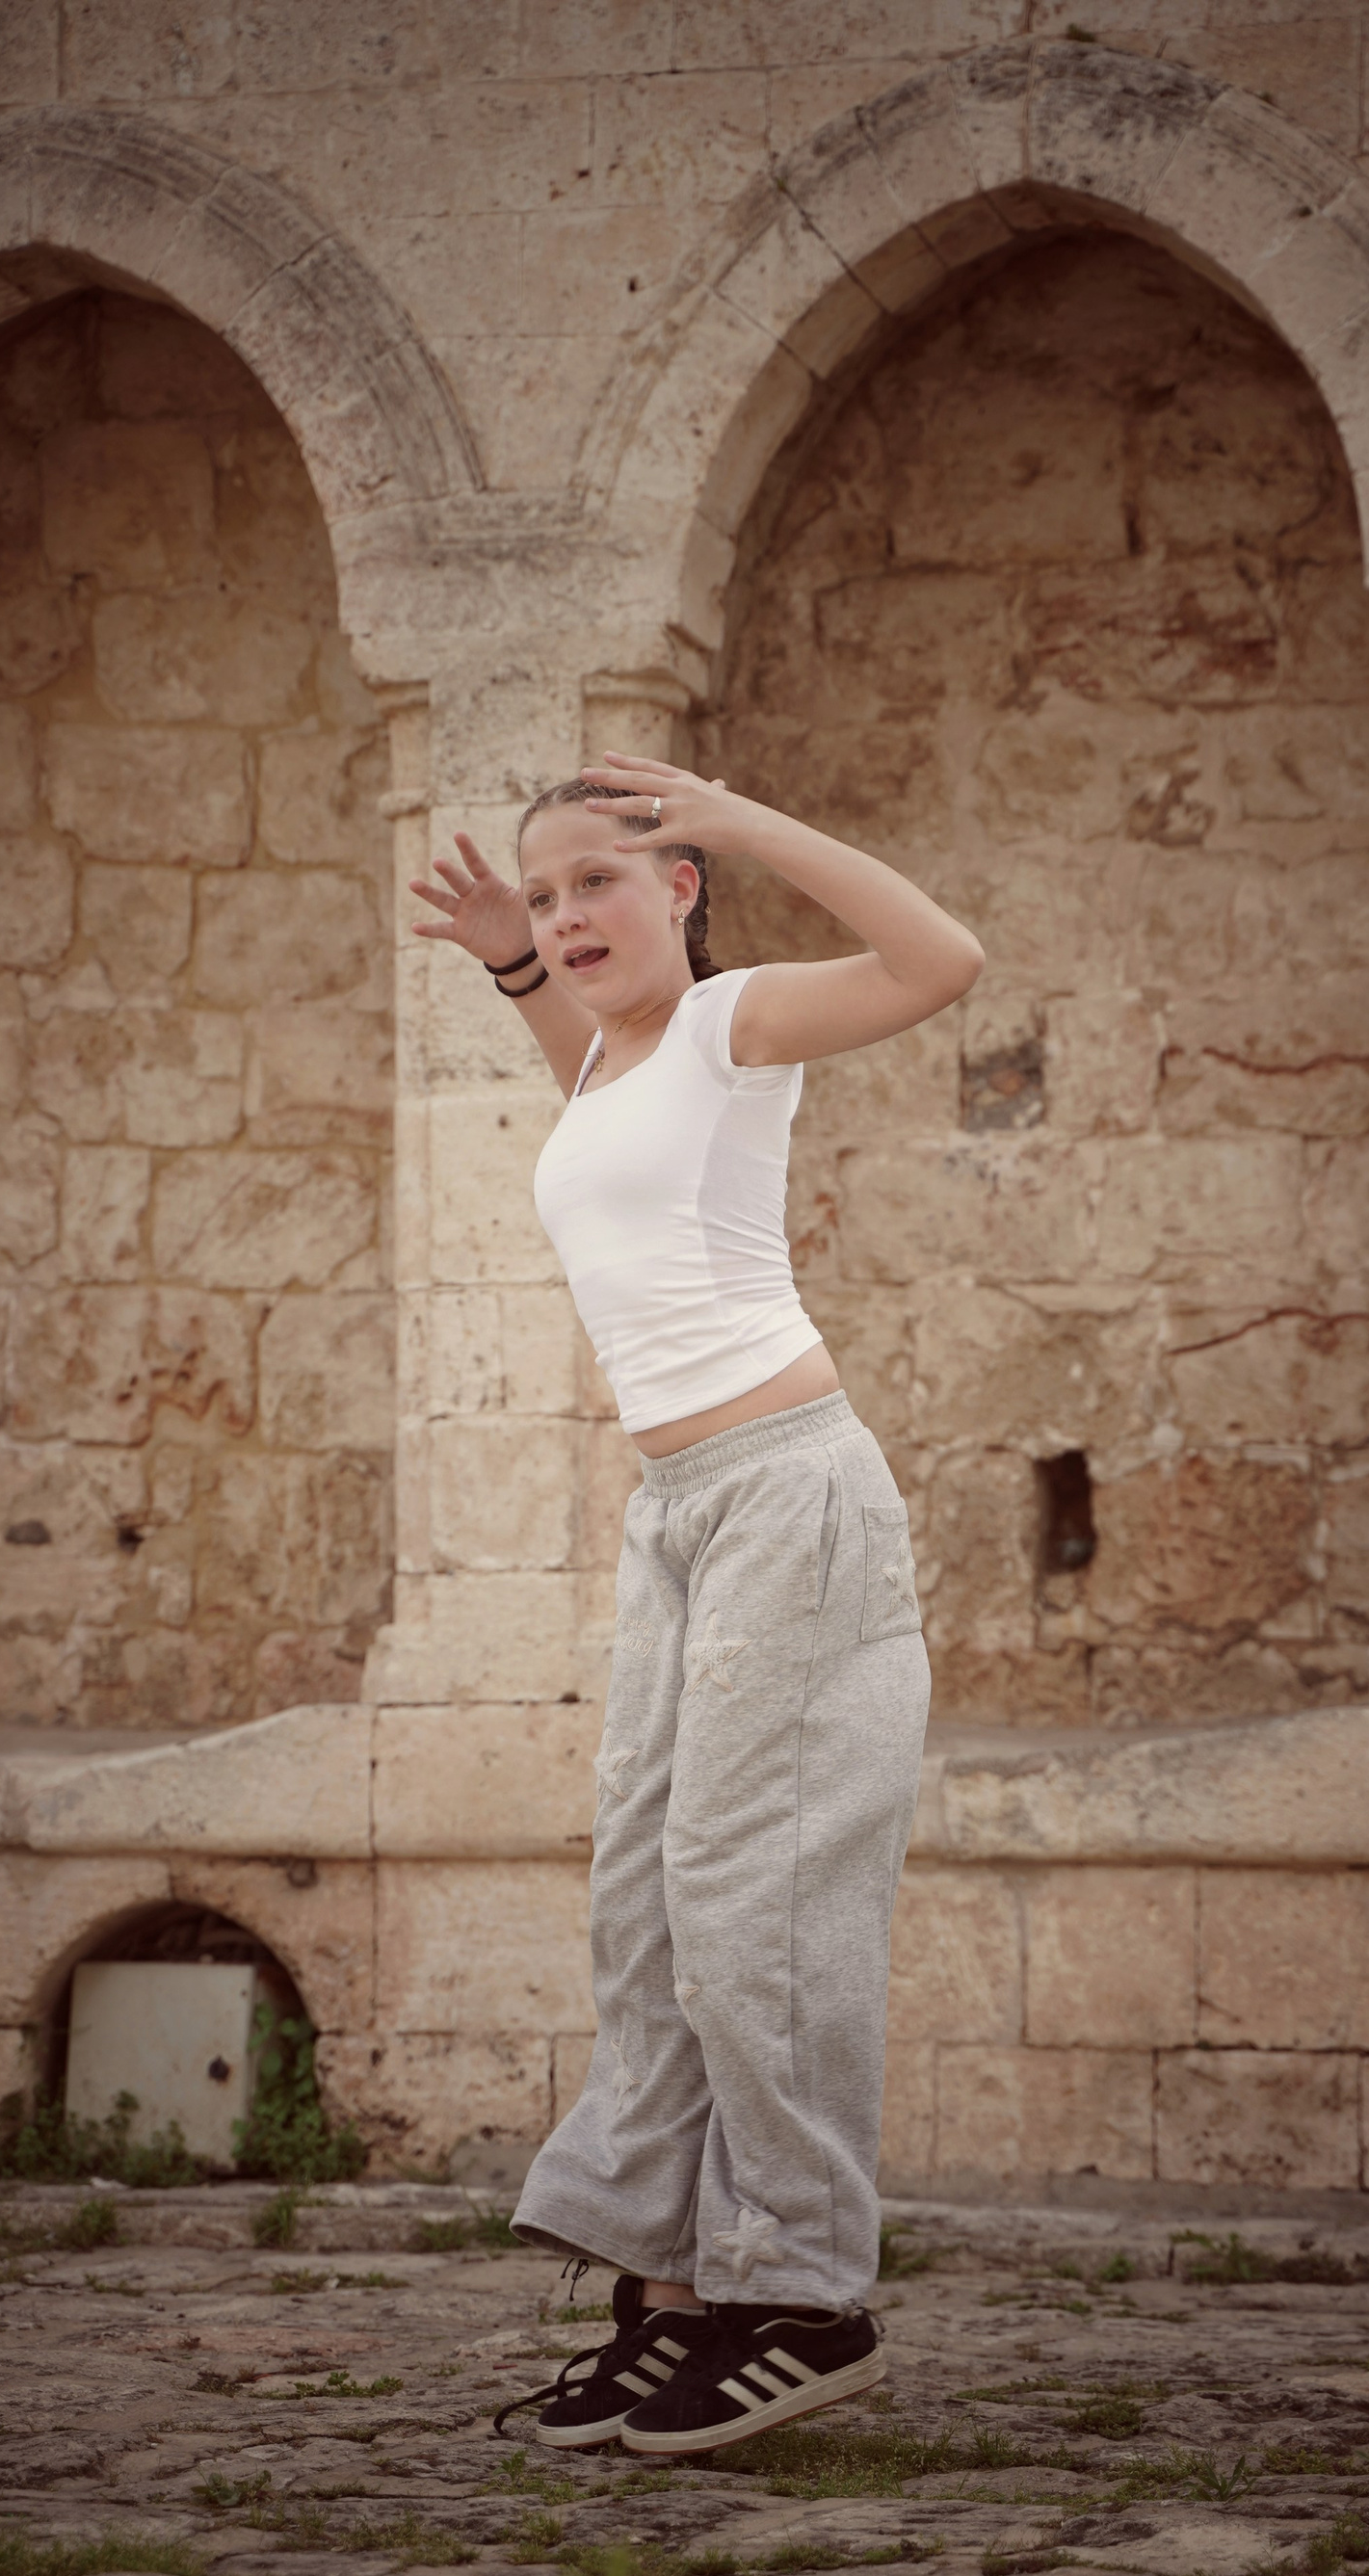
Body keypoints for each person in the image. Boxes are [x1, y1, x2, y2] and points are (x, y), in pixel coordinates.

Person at [408, 755, 982, 2455]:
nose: (570, 911)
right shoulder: (608, 1059)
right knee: (647, 1906)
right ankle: (669, 2295)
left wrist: (736, 818)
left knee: (754, 1897)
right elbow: (599, 1108)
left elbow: (941, 960)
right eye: (549, 888)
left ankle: (801, 2292)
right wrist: (516, 961)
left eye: (600, 879)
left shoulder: (734, 1022)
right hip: (676, 1516)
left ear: (679, 887)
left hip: (787, 1494)